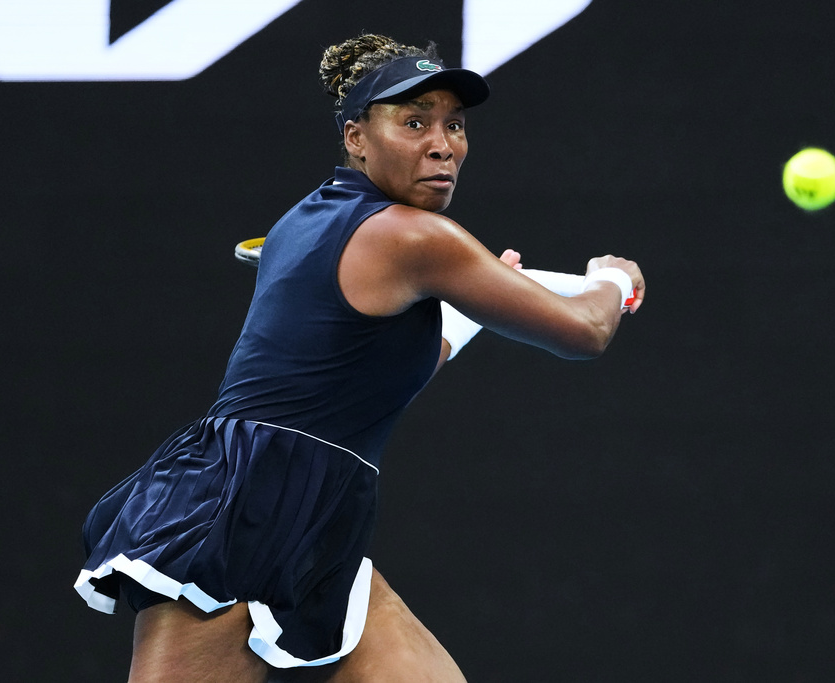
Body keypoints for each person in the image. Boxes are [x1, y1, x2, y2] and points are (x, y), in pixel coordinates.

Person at [74, 34, 645, 683]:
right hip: (245, 514)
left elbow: (357, 386)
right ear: (356, 137)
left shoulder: (309, 218)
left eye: (454, 124)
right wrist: (612, 281)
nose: (442, 143)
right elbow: (584, 331)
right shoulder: (415, 235)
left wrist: (468, 304)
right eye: (413, 120)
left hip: (314, 515)